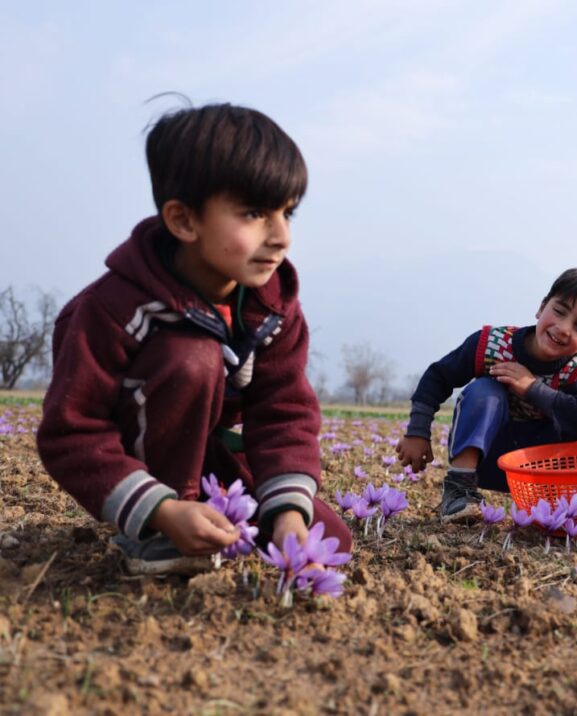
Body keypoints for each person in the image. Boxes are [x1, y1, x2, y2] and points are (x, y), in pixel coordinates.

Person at [36, 102, 351, 575]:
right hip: (132, 459)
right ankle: (155, 534)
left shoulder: (271, 307)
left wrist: (287, 515)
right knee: (193, 356)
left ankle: (204, 516)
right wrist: (164, 510)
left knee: (325, 534)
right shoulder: (113, 309)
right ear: (184, 221)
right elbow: (71, 430)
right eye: (253, 213)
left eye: (287, 212)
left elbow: (283, 410)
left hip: (203, 450)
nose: (281, 236)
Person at [396, 268, 577, 523]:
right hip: (488, 459)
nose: (562, 328)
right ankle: (460, 490)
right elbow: (437, 377)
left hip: (544, 473)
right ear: (541, 307)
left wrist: (532, 388)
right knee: (485, 390)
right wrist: (417, 432)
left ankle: (562, 505)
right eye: (559, 312)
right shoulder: (491, 344)